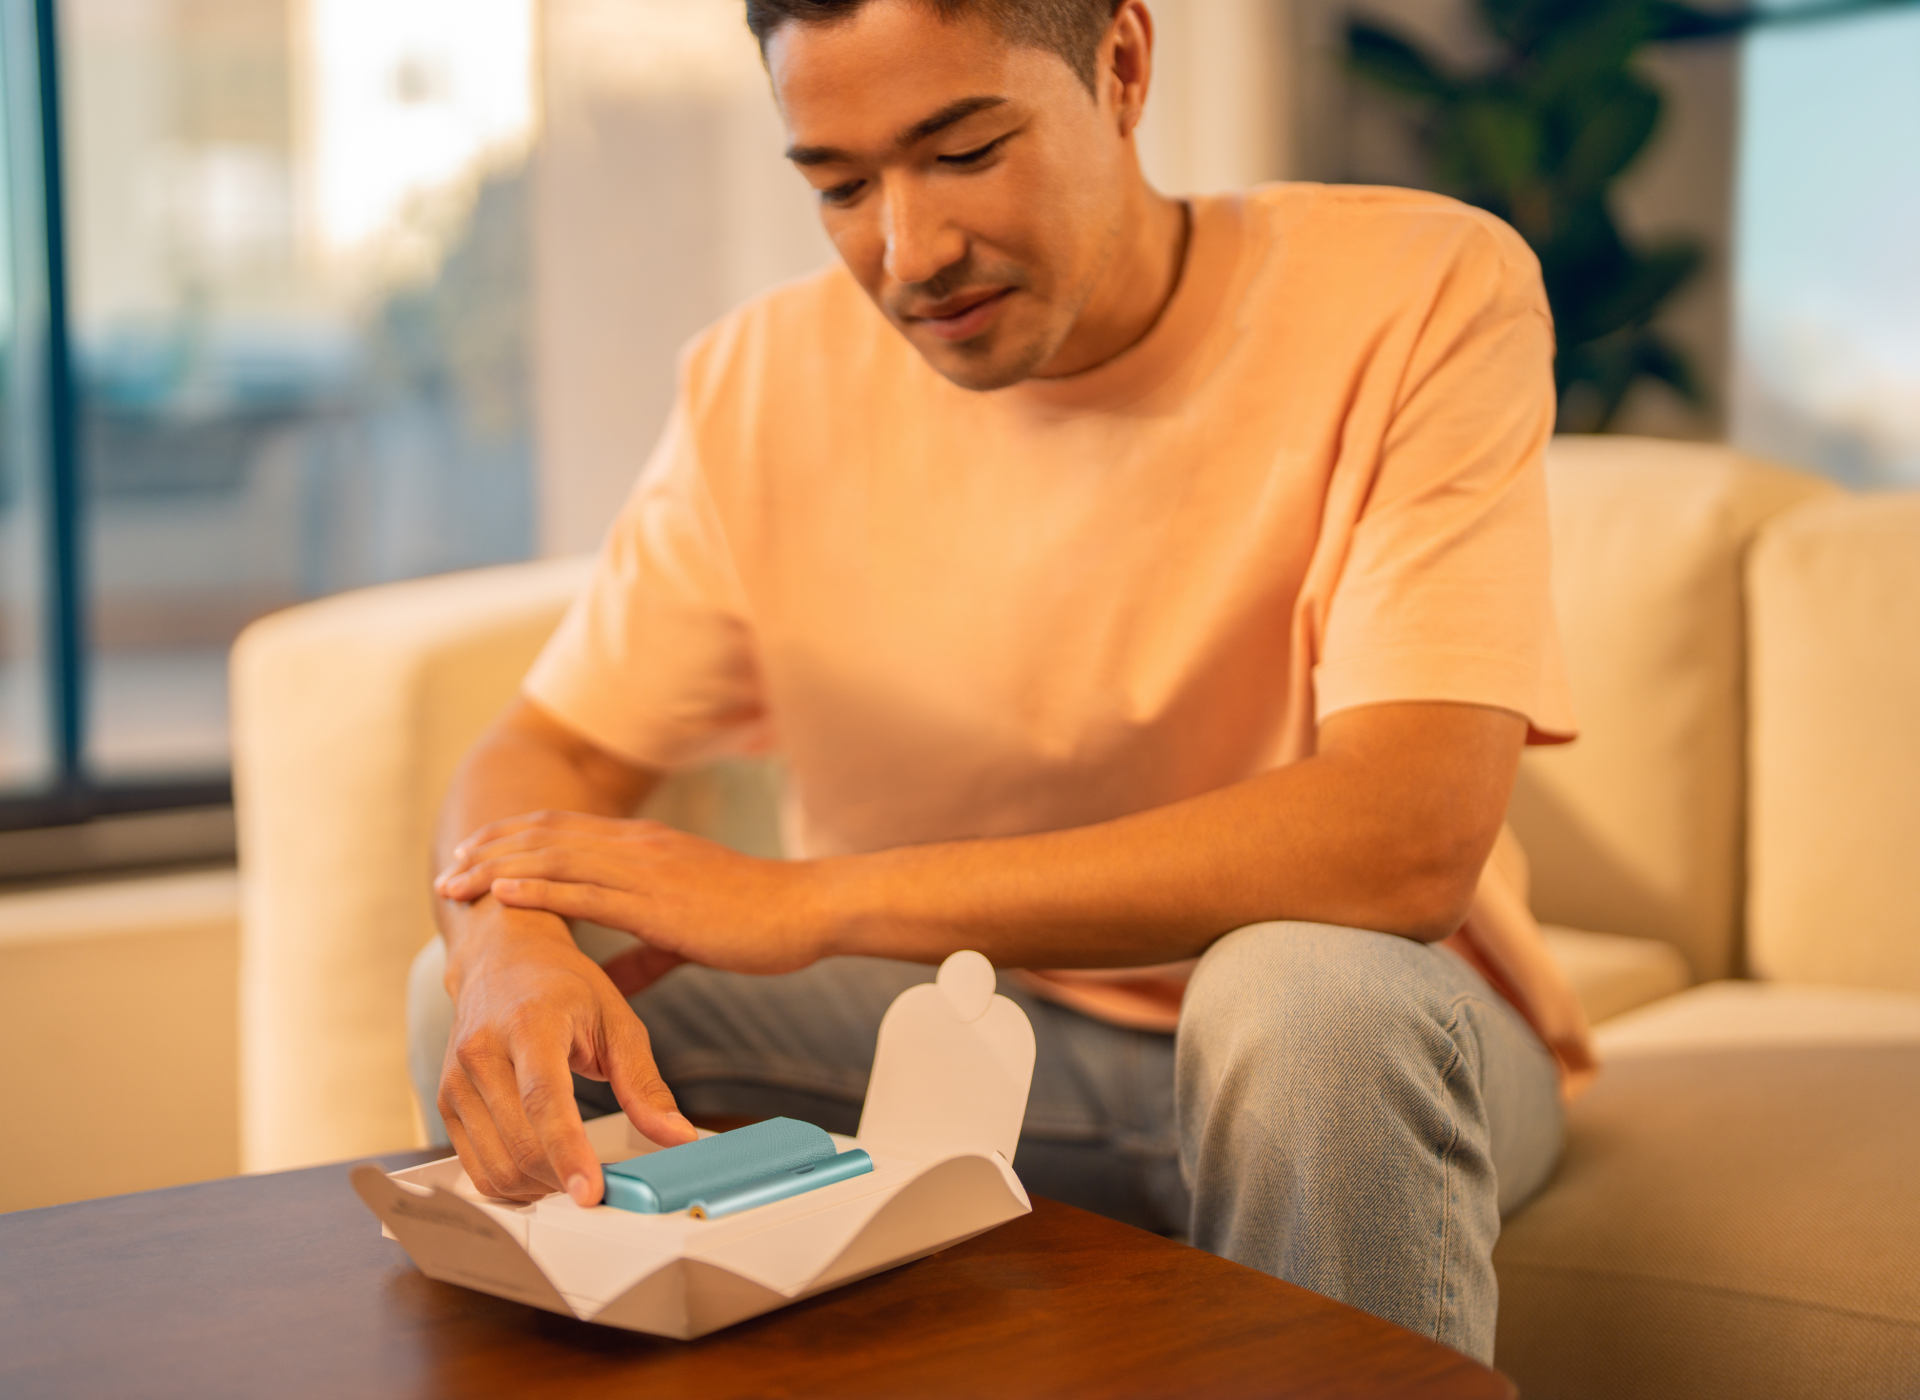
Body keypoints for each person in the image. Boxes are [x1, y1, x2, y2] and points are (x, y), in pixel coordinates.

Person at [411, 0, 1597, 1361]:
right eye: (842, 187)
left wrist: (813, 903)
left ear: (1126, 66)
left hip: (1358, 1044)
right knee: (485, 1011)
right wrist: (502, 946)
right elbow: (544, 751)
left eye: (966, 152)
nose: (909, 253)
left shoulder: (1416, 288)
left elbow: (1409, 839)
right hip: (971, 1037)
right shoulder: (761, 384)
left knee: (1303, 1002)